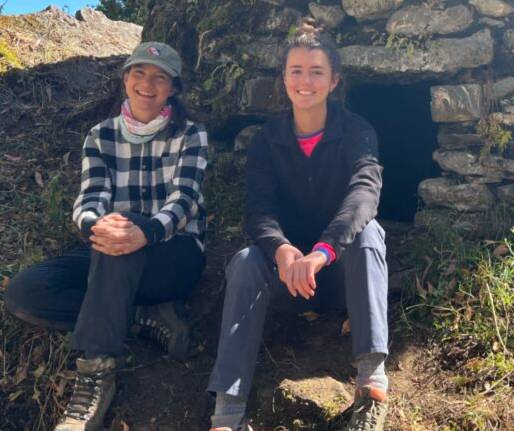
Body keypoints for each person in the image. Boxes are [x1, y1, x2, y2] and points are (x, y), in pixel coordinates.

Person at [4, 41, 208, 431]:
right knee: (24, 293)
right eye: (138, 73)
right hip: (113, 252)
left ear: (172, 89)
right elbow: (89, 199)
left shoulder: (191, 135)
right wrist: (96, 226)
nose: (146, 83)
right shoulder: (100, 136)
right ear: (125, 79)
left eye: (159, 77)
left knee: (124, 228)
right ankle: (141, 317)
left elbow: (185, 199)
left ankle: (96, 372)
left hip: (173, 255)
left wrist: (142, 231)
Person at [207, 19, 389, 431]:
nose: (305, 81)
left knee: (370, 235)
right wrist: (283, 250)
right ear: (284, 79)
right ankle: (228, 407)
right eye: (296, 71)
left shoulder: (358, 132)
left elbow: (364, 195)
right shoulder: (267, 141)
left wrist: (323, 252)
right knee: (243, 262)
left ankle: (371, 377)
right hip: (285, 279)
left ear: (334, 80)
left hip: (341, 277)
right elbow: (258, 209)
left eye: (316, 71)